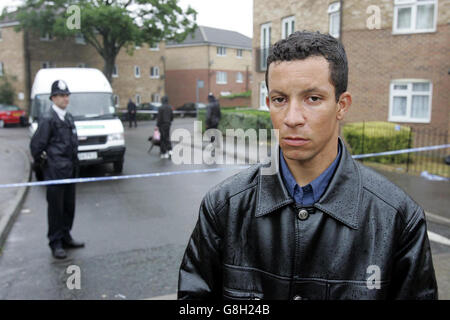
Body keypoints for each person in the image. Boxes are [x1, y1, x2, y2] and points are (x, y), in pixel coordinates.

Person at [178, 31, 438, 300]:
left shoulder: (398, 218)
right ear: (269, 104)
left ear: (342, 105)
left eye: (313, 98)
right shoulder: (223, 206)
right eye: (280, 99)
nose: (292, 118)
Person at [30, 80, 85, 259]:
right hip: (55, 172)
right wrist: (46, 164)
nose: (65, 99)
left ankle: (66, 236)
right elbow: (36, 146)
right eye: (61, 95)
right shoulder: (48, 119)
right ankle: (55, 242)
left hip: (69, 170)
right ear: (53, 98)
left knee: (69, 207)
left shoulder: (68, 117)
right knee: (56, 209)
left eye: (66, 95)